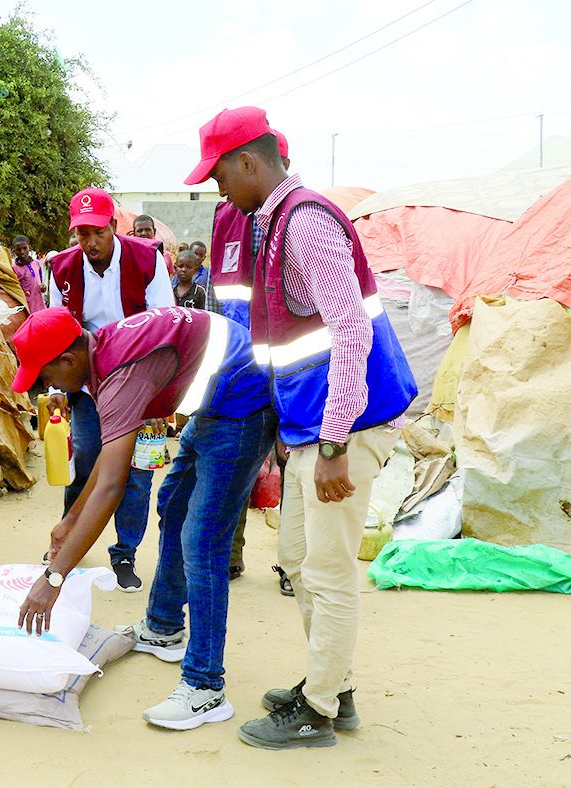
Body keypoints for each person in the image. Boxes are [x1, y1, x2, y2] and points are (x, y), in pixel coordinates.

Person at [185, 105, 417, 749]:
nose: (216, 188)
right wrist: (296, 438)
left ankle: (320, 709)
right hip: (312, 425)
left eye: (219, 174)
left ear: (249, 163)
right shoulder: (272, 222)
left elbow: (348, 333)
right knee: (296, 557)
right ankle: (330, 684)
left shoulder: (306, 224)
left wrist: (336, 443)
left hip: (347, 425)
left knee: (329, 568)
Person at [11, 306, 274, 731]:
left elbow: (112, 486)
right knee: (173, 503)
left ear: (68, 359)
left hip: (244, 407)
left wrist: (54, 579)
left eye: (44, 375)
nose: (47, 386)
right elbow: (107, 460)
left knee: (202, 540)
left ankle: (206, 687)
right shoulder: (103, 354)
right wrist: (70, 519)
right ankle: (164, 627)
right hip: (217, 404)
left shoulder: (122, 373)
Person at [46, 188, 176, 592]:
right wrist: (56, 388)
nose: (90, 242)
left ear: (113, 227)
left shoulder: (146, 258)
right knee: (86, 459)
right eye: (82, 233)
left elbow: (164, 322)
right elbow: (54, 331)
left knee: (136, 472)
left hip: (142, 384)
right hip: (89, 386)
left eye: (97, 232)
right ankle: (68, 542)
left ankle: (124, 554)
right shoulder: (63, 268)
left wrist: (161, 396)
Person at [207, 128, 290, 582]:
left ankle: (292, 563)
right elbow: (220, 299)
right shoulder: (227, 216)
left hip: (291, 366)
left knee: (291, 464)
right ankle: (231, 554)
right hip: (241, 364)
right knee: (236, 463)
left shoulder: (295, 218)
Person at [10, 235, 46, 314]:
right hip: (27, 306)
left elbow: (40, 281)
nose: (22, 252)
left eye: (24, 248)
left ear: (29, 247)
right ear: (14, 251)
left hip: (40, 304)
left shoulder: (36, 263)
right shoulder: (14, 268)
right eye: (18, 250)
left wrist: (43, 287)